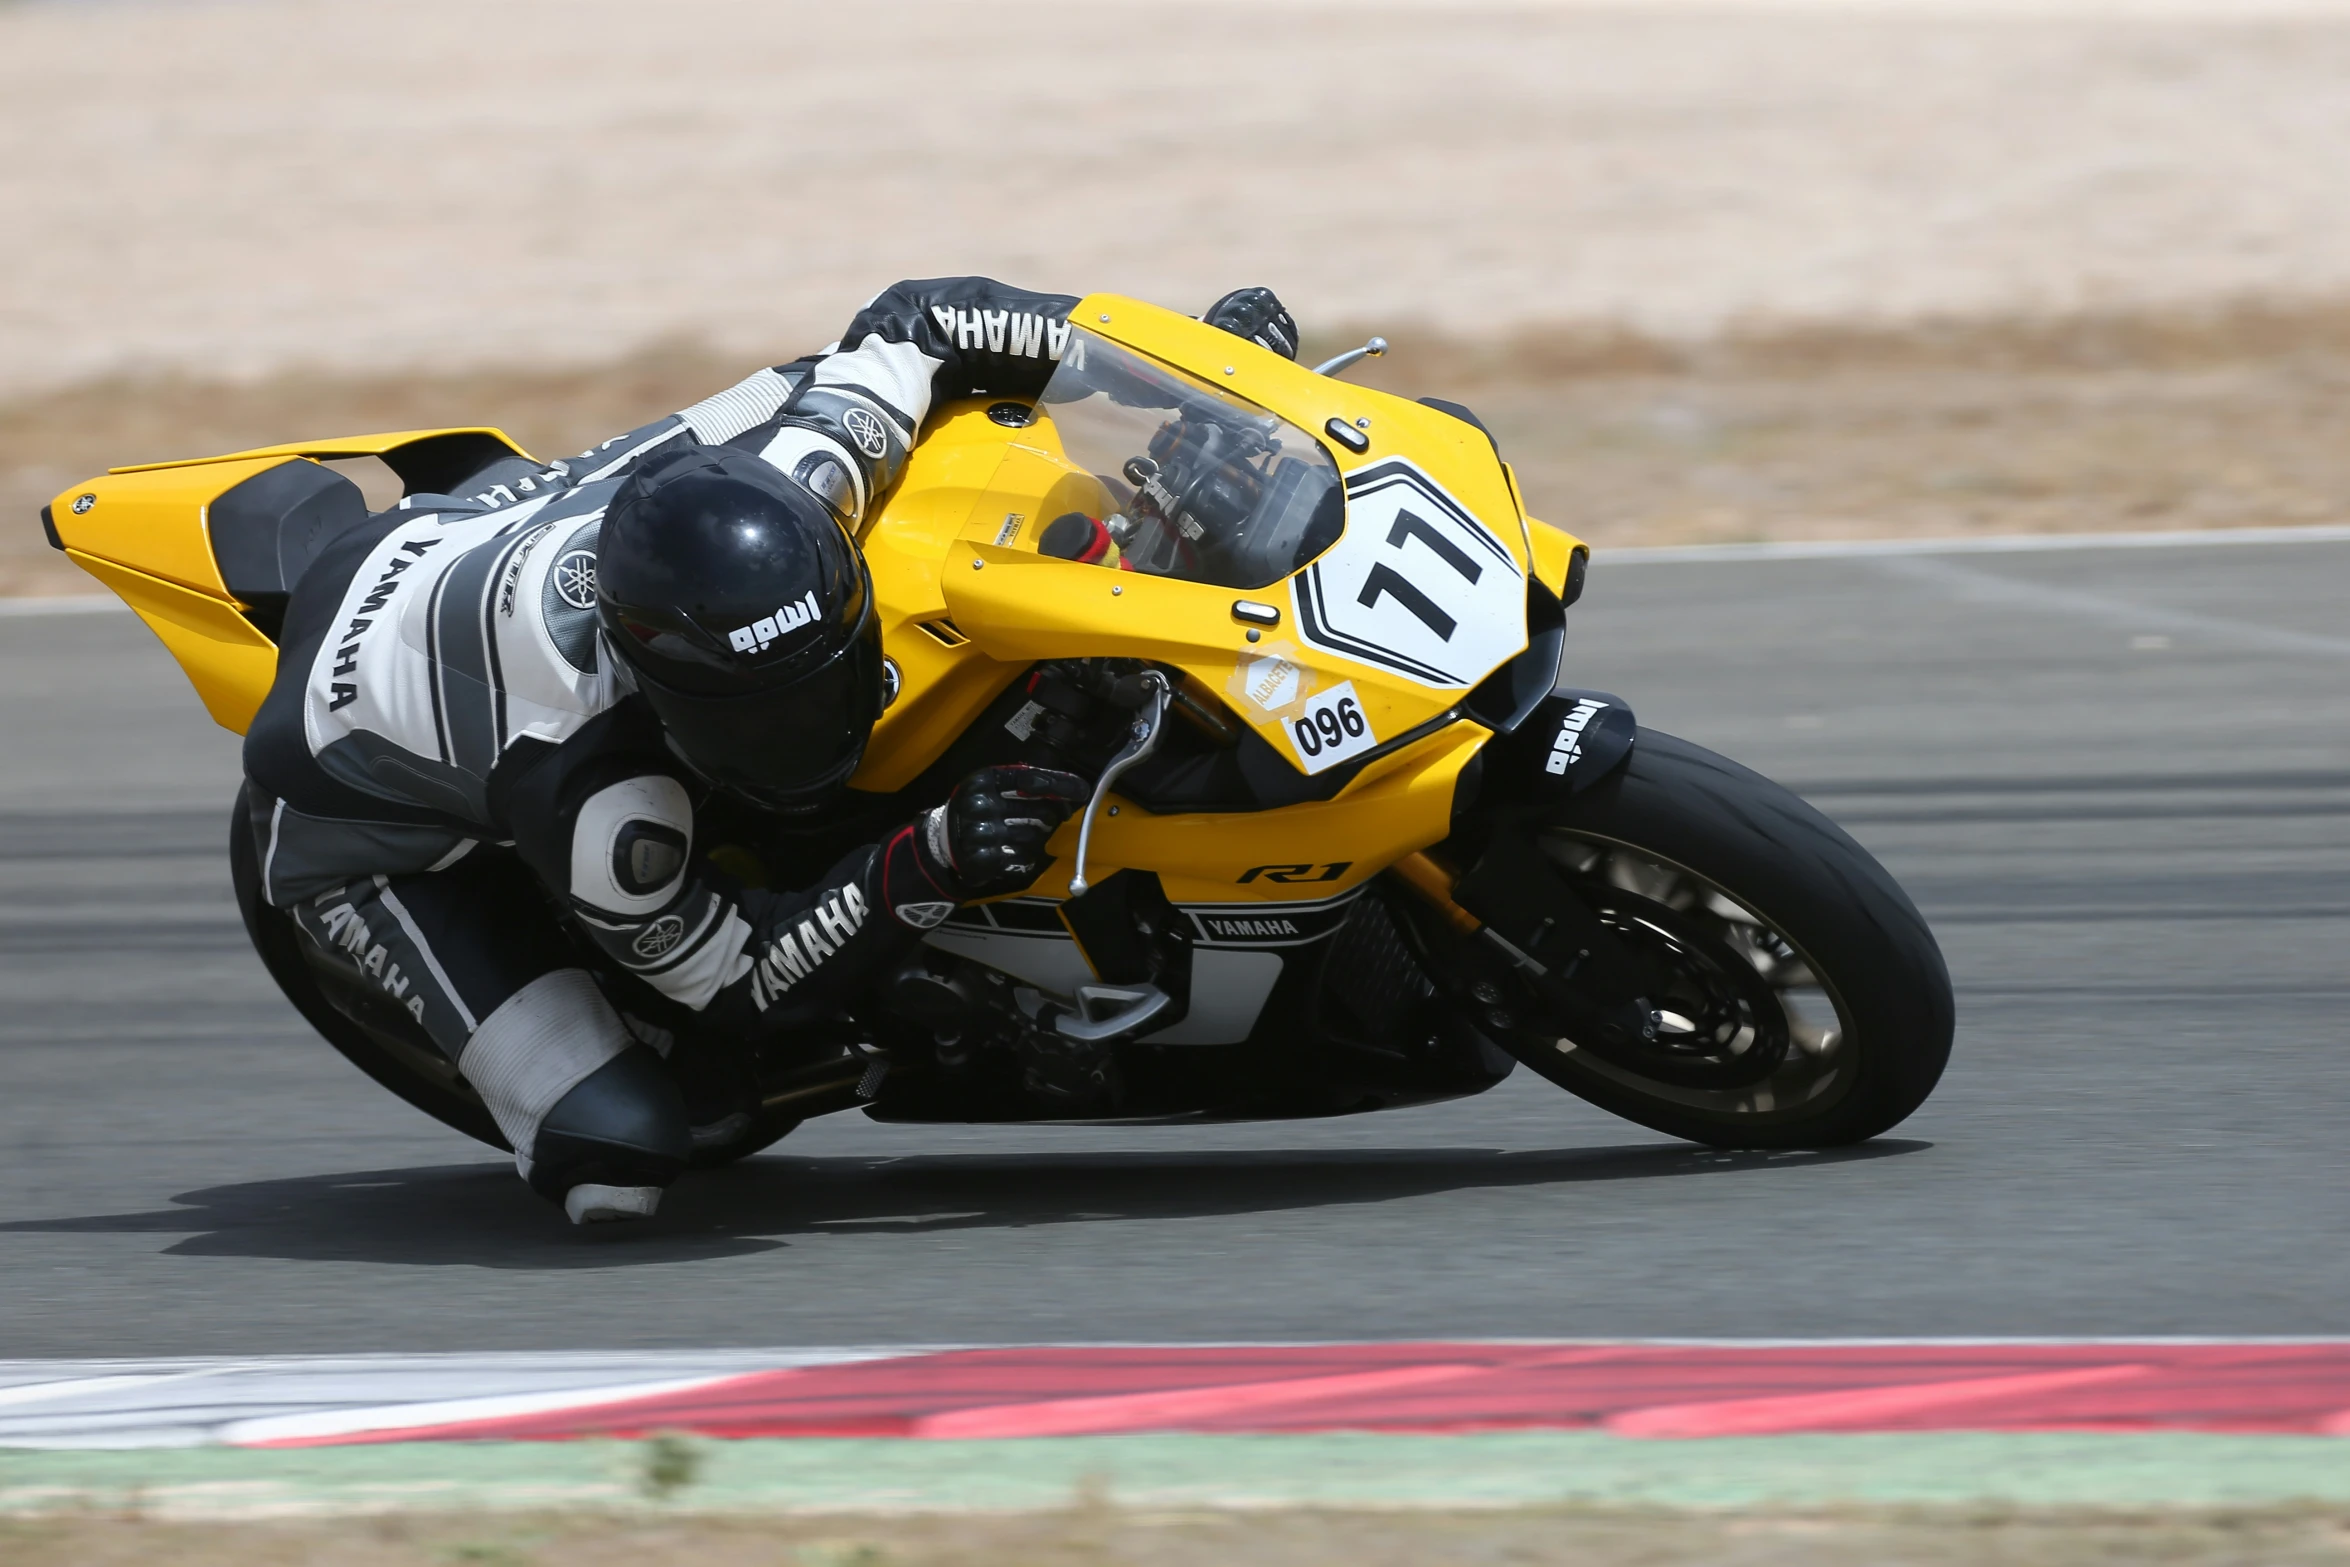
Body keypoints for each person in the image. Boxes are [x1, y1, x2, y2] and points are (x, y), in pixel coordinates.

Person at [239, 279, 1301, 1225]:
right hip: (350, 824)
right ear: (664, 691)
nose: (807, 726)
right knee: (625, 1149)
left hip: (476, 534)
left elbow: (921, 324)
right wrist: (921, 861)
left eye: (817, 678)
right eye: (755, 715)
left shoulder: (809, 479)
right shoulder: (599, 795)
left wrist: (1189, 375)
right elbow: (739, 979)